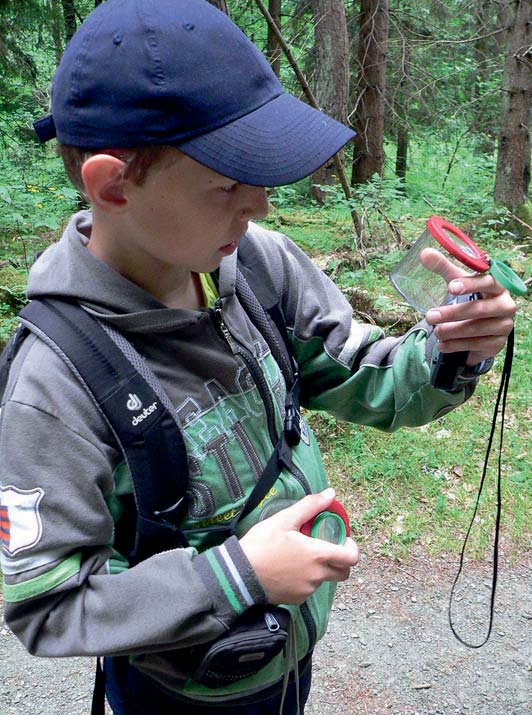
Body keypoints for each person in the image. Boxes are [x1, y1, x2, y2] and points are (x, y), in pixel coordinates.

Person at [0, 1, 516, 714]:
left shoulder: (257, 266)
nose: (263, 205)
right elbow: (48, 606)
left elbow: (370, 378)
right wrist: (236, 577)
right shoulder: (55, 382)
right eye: (229, 182)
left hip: (285, 658)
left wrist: (450, 349)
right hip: (179, 691)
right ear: (113, 185)